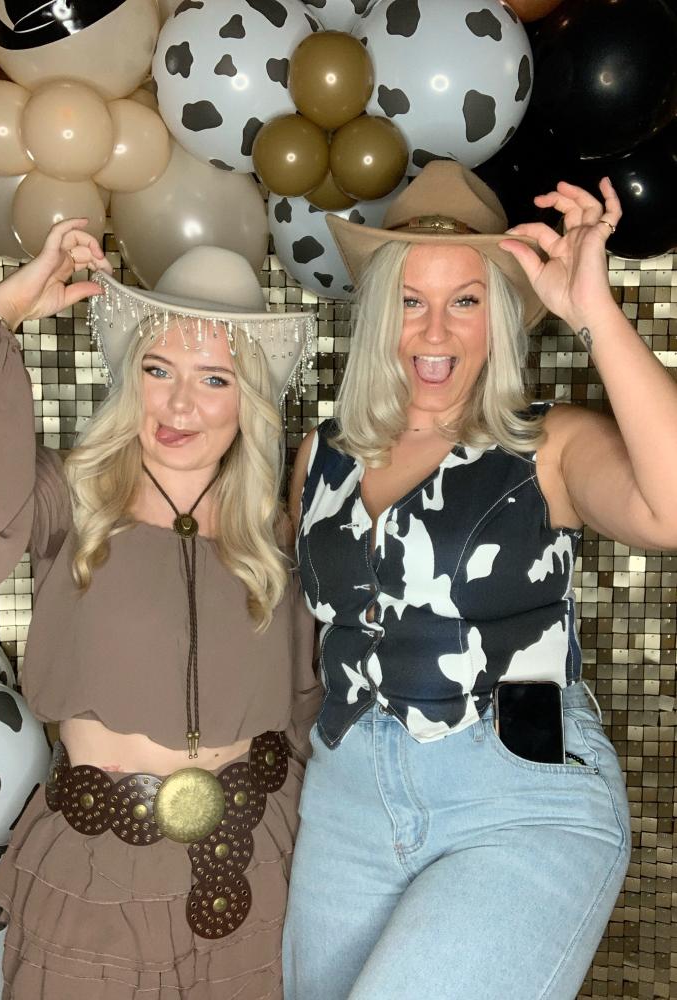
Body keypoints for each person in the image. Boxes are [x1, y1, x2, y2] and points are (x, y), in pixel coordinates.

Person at [281, 160, 677, 1000]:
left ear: (498, 317)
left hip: (516, 788)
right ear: (379, 314)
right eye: (410, 301)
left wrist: (594, 312)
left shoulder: (548, 447)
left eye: (465, 300)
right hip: (349, 802)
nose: (435, 332)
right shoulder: (321, 457)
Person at [0, 220, 321, 999]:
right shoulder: (68, 498)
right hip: (95, 873)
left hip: (256, 860)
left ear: (250, 399)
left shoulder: (279, 534)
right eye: (158, 367)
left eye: (214, 379)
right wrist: (0, 313)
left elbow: (311, 703)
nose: (179, 402)